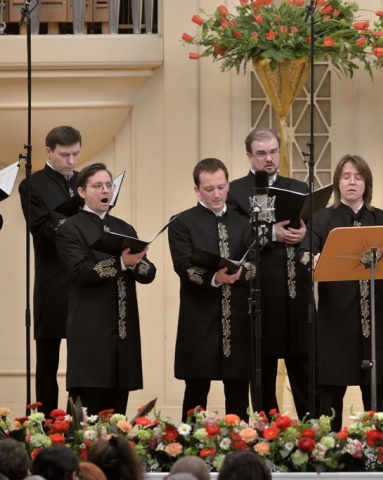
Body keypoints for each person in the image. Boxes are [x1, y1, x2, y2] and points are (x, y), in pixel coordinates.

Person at [299, 155, 383, 431]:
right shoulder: (322, 219)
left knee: (377, 389)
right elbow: (303, 253)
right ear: (337, 183)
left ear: (367, 183)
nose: (352, 182)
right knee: (331, 390)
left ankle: (382, 447)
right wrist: (313, 258)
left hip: (376, 318)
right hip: (336, 320)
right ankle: (327, 448)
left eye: (358, 177)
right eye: (346, 176)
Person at [55, 163, 156, 416]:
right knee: (85, 418)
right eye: (98, 186)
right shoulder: (69, 228)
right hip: (90, 333)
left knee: (116, 418)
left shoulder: (125, 228)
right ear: (81, 192)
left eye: (109, 185)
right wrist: (121, 263)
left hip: (123, 334)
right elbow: (80, 271)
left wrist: (135, 263)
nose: (105, 190)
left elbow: (149, 273)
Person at [226, 128, 312, 418]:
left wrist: (305, 234)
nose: (269, 158)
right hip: (260, 293)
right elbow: (236, 236)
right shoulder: (235, 192)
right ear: (249, 156)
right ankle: (268, 431)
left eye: (274, 151)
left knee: (305, 369)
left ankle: (312, 429)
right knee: (262, 373)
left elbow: (316, 231)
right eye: (261, 153)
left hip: (298, 291)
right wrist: (272, 233)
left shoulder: (298, 187)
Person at [169, 158, 254, 419]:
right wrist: (215, 278)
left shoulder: (244, 223)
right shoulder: (182, 222)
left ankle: (241, 442)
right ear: (197, 190)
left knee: (238, 394)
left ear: (228, 185)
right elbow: (183, 266)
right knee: (196, 393)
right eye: (209, 189)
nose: (216, 194)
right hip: (199, 320)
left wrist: (240, 273)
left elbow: (257, 265)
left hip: (238, 321)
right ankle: (189, 442)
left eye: (221, 187)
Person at [18, 126, 82, 417]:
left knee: (82, 359)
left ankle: (77, 423)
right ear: (48, 151)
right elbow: (41, 230)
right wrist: (72, 217)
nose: (71, 161)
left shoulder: (84, 181)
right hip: (52, 281)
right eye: (65, 155)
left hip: (83, 278)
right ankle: (44, 425)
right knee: (47, 361)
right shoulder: (33, 184)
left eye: (76, 154)